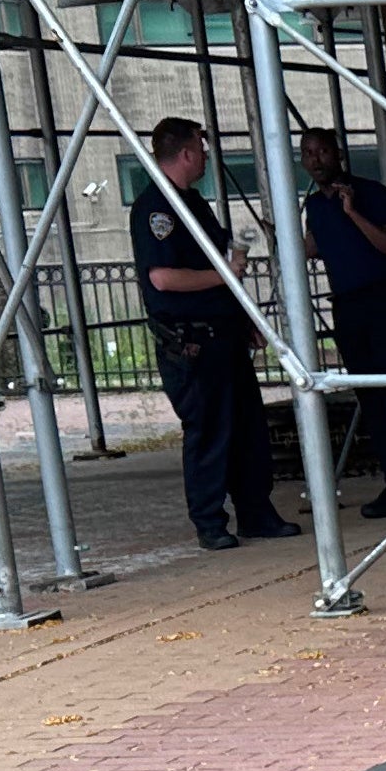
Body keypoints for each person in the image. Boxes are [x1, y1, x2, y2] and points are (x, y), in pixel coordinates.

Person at [131, 116, 295, 550]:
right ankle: (210, 522)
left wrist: (244, 318)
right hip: (190, 342)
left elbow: (220, 259)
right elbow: (164, 278)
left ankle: (256, 513)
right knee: (209, 430)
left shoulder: (194, 204)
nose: (206, 156)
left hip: (222, 334)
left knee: (247, 428)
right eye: (201, 149)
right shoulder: (157, 209)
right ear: (185, 153)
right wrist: (224, 276)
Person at [298, 127, 386, 521]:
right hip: (348, 305)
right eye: (308, 153)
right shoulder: (315, 207)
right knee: (370, 398)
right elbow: (313, 247)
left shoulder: (371, 194)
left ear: (338, 154)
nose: (316, 159)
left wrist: (353, 213)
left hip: (383, 298)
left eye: (323, 151)